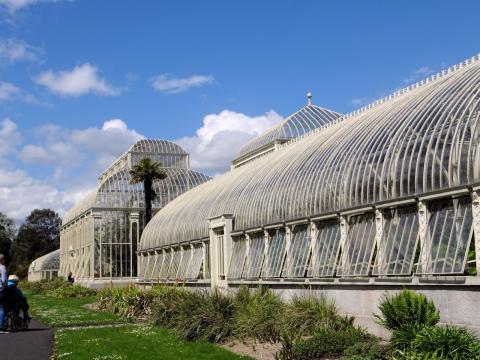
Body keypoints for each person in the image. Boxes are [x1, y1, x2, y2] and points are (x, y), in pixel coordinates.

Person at [0, 254, 7, 333]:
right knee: (1, 308)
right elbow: (4, 280)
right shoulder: (2, 267)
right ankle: (0, 328)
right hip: (0, 289)